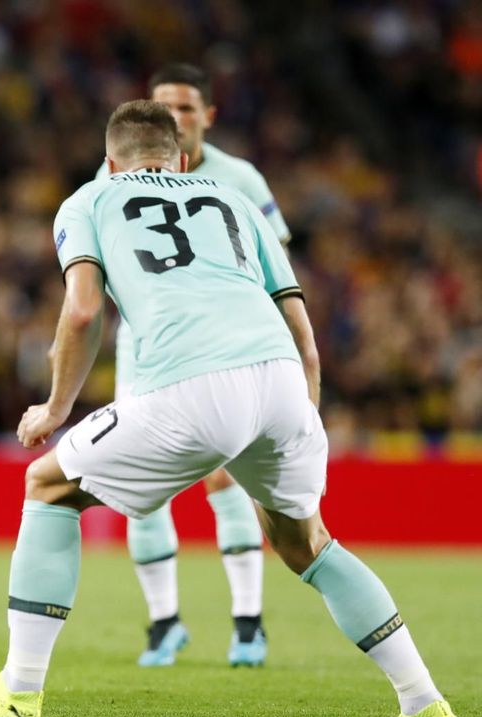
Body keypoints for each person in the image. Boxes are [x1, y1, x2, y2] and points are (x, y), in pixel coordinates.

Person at [0, 100, 463, 717]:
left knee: (47, 485)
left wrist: (57, 408)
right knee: (309, 544)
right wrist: (304, 413)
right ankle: (425, 704)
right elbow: (301, 326)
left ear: (110, 162)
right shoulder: (234, 199)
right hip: (281, 380)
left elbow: (82, 310)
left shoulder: (90, 199)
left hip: (193, 384)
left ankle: (18, 692)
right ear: (181, 159)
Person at [95, 63, 291, 668]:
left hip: (224, 346)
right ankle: (164, 623)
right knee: (141, 482)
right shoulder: (112, 174)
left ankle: (248, 623)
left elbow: (274, 260)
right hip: (144, 345)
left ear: (208, 115)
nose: (173, 117)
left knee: (227, 476)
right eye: (163, 106)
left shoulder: (240, 178)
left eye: (184, 107)